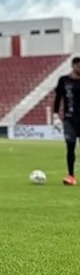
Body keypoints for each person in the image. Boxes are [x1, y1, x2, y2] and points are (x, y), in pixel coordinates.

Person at [53, 56, 80, 185]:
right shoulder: (64, 80)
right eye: (79, 66)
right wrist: (55, 115)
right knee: (70, 147)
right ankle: (71, 176)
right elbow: (58, 98)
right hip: (70, 119)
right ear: (73, 66)